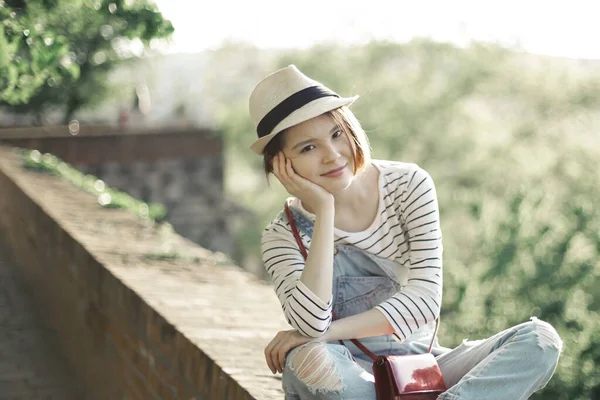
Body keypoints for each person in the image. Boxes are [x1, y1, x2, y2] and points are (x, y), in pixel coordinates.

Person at [248, 65, 562, 400]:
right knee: (307, 359)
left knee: (539, 340)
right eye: (308, 148)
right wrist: (324, 211)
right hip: (346, 376)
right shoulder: (282, 235)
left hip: (422, 370)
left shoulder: (408, 185)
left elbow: (425, 301)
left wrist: (328, 332)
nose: (332, 154)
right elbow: (310, 328)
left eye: (337, 134)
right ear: (281, 163)